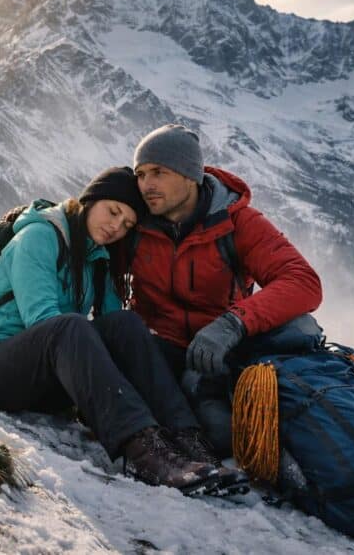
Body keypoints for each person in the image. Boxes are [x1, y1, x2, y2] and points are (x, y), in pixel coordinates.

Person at [0, 167, 246, 495]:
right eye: (113, 211)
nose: (116, 227)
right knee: (69, 326)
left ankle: (189, 442)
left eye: (127, 224)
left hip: (44, 378)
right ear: (91, 200)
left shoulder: (95, 257)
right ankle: (144, 453)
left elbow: (118, 336)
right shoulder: (38, 236)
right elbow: (42, 321)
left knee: (126, 324)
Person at [130, 124, 323, 455]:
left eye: (159, 172)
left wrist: (232, 324)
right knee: (216, 434)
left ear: (190, 175)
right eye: (141, 174)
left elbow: (302, 281)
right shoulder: (134, 221)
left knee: (300, 327)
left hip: (226, 353)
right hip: (163, 352)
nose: (147, 184)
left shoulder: (237, 221)